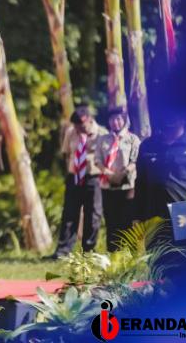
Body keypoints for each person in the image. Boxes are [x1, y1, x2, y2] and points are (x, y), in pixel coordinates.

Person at [134, 111, 186, 254]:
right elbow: (140, 183)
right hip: (154, 219)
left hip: (185, 219)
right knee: (157, 265)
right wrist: (137, 217)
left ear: (183, 118)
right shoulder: (147, 146)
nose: (169, 117)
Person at [47, 105, 107, 259]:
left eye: (82, 126)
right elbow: (66, 153)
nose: (79, 129)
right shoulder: (71, 132)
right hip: (74, 177)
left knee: (93, 216)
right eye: (76, 126)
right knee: (69, 214)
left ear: (90, 120)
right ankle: (63, 251)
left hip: (94, 178)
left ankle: (88, 251)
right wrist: (72, 171)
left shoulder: (102, 134)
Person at [94, 108, 140, 252]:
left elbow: (135, 160)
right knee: (111, 221)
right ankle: (114, 254)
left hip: (127, 186)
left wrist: (123, 173)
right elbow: (97, 160)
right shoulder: (103, 139)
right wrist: (108, 173)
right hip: (108, 185)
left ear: (124, 120)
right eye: (113, 119)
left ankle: (131, 255)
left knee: (128, 221)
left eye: (119, 119)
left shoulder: (132, 139)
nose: (116, 122)